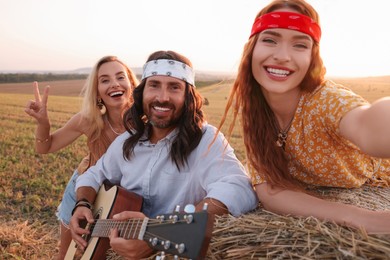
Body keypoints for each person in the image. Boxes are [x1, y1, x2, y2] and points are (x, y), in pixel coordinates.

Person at [218, 0, 390, 234]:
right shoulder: (256, 111)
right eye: (269, 40)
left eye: (300, 45)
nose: (282, 56)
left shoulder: (326, 101)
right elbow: (269, 191)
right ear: (251, 49)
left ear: (312, 58)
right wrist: (356, 217)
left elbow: (368, 125)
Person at [69, 50, 258, 259]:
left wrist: (161, 233)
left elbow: (238, 186)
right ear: (142, 93)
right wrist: (83, 204)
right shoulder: (127, 142)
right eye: (154, 85)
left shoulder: (206, 139)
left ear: (188, 97)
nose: (162, 97)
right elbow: (93, 174)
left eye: (174, 87)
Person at [24, 55, 139, 259]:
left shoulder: (145, 120)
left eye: (120, 77)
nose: (114, 84)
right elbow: (46, 147)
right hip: (82, 192)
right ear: (97, 91)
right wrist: (43, 123)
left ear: (131, 83)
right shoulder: (88, 119)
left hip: (123, 197)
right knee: (68, 256)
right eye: (104, 80)